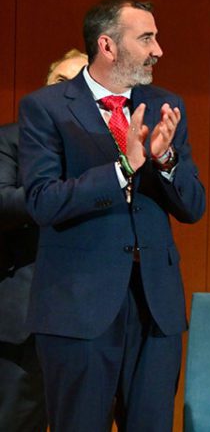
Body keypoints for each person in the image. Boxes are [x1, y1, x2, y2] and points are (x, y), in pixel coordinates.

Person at [18, 0, 206, 431]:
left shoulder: (166, 104)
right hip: (79, 309)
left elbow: (193, 207)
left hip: (155, 306)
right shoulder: (45, 108)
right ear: (107, 46)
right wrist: (123, 168)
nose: (158, 49)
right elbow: (44, 201)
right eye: (146, 38)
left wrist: (165, 161)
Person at [0, 48, 87, 432]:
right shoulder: (10, 139)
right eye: (59, 82)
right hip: (24, 317)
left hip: (89, 319)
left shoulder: (109, 154)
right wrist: (60, 192)